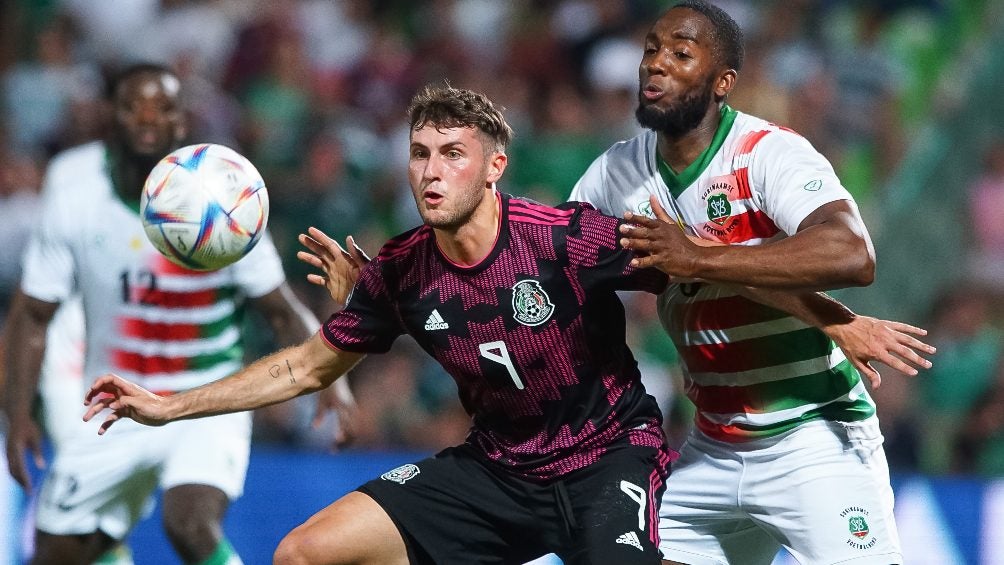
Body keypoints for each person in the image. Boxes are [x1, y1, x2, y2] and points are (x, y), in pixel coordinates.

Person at [84, 84, 677, 565]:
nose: (431, 172)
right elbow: (306, 368)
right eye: (420, 154)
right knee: (302, 554)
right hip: (498, 471)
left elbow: (690, 272)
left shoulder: (563, 237)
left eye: (453, 154)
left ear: (494, 166)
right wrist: (169, 406)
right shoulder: (399, 272)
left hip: (608, 456)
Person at [570, 2, 932, 563]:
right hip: (712, 444)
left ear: (723, 82)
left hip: (812, 436)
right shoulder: (615, 174)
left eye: (681, 54)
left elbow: (852, 253)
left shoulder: (766, 152)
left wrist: (696, 257)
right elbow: (551, 265)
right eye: (651, 50)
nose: (656, 64)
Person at [2, 62, 349, 565]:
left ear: (181, 121)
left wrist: (331, 371)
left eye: (161, 107)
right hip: (116, 403)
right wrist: (17, 413)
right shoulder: (75, 204)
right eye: (133, 107)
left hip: (207, 400)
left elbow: (280, 309)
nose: (148, 118)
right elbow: (33, 315)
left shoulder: (225, 205)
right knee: (57, 554)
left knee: (189, 525)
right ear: (111, 116)